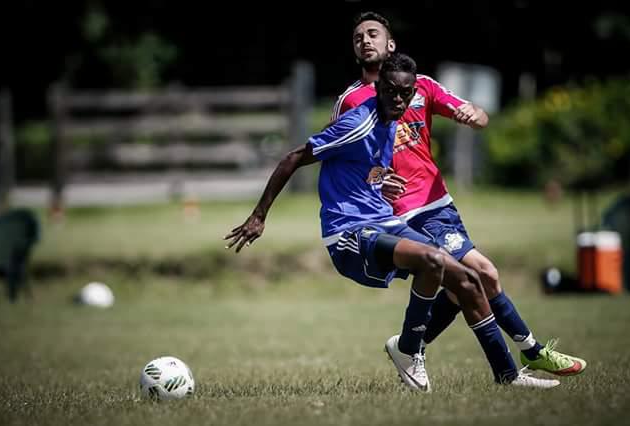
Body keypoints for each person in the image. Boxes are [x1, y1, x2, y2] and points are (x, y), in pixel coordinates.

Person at [225, 53, 560, 391]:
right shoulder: (359, 122)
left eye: (405, 93)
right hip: (348, 232)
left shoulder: (394, 122)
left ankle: (507, 375)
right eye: (390, 91)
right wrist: (258, 215)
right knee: (432, 261)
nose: (398, 99)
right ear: (379, 88)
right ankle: (409, 351)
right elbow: (294, 157)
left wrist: (377, 179)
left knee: (468, 280)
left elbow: (359, 167)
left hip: (384, 222)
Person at [331, 11, 587, 387]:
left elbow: (479, 116)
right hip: (403, 215)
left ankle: (410, 345)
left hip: (440, 204)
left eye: (373, 34)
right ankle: (531, 353)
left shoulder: (423, 86)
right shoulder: (351, 101)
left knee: (459, 287)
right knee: (482, 273)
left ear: (391, 43)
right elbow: (345, 167)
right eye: (358, 37)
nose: (365, 40)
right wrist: (376, 182)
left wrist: (475, 115)